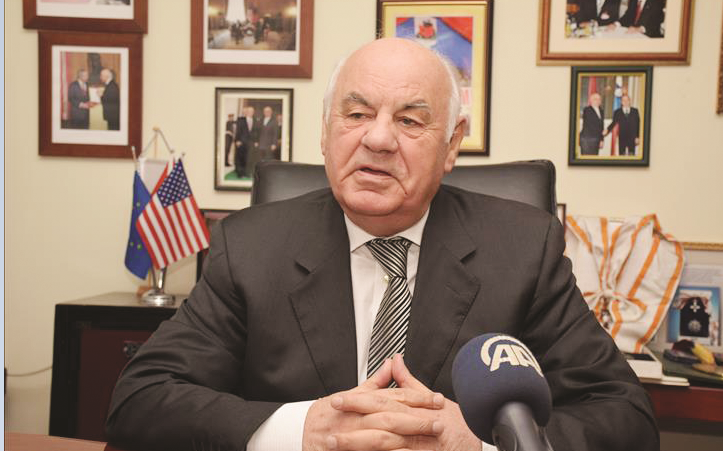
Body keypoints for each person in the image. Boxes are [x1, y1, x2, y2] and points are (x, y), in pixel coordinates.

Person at [106, 38, 658, 451]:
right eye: (356, 114)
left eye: (410, 120)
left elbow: (625, 417)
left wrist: (481, 445)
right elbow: (140, 398)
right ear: (326, 132)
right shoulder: (250, 248)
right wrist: (301, 430)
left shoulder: (523, 249)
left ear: (451, 146)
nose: (377, 138)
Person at [235, 106, 259, 177]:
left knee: (249, 158)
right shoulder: (241, 120)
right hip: (242, 142)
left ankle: (247, 173)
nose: (250, 112)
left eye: (252, 111)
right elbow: (238, 131)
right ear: (246, 112)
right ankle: (240, 173)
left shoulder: (256, 121)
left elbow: (257, 132)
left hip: (251, 142)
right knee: (241, 158)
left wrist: (256, 141)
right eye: (249, 111)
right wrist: (237, 140)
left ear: (253, 112)